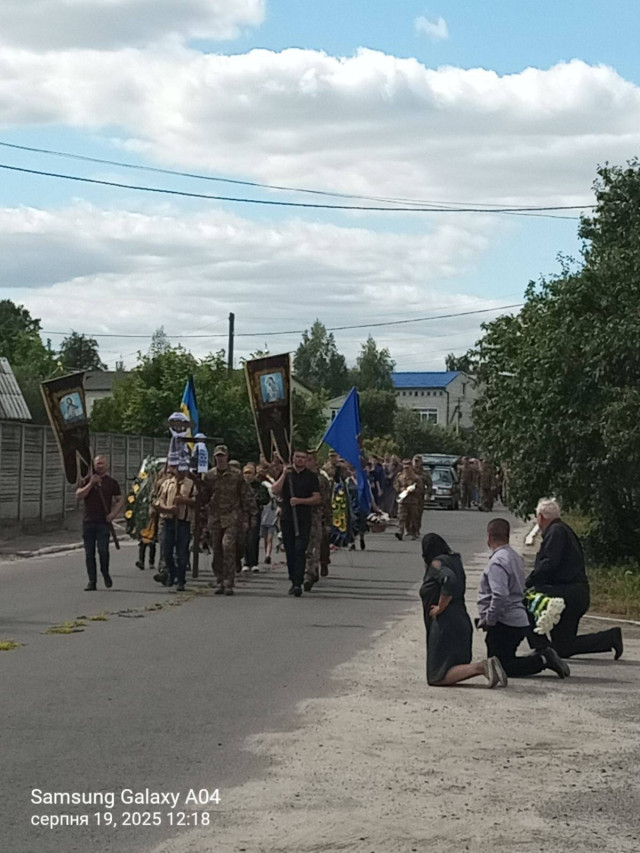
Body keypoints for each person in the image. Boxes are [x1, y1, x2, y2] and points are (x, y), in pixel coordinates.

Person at [526, 498, 623, 659]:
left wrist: (528, 583)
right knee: (563, 647)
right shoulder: (562, 530)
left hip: (566, 593)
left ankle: (542, 647)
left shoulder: (556, 532)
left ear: (541, 517)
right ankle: (609, 638)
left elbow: (548, 564)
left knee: (524, 600)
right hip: (576, 593)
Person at [478, 518, 570, 678]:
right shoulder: (514, 556)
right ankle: (541, 658)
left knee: (501, 666)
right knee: (503, 660)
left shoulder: (497, 563)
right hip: (518, 617)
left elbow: (500, 595)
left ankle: (542, 659)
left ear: (489, 537)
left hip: (505, 621)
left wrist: (490, 619)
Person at [419, 533, 507, 687]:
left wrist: (441, 606)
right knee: (448, 668)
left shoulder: (437, 564)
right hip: (460, 619)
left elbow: (449, 580)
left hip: (445, 625)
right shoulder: (454, 560)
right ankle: (486, 667)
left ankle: (482, 667)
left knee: (436, 676)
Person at [204, 446, 256, 596]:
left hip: (232, 516)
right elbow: (204, 496)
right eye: (217, 456)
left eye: (222, 456)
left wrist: (250, 516)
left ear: (227, 457)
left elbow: (246, 495)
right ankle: (219, 580)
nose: (220, 459)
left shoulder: (236, 475)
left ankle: (229, 582)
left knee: (227, 546)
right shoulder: (209, 476)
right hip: (215, 517)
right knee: (217, 550)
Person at [272, 450, 321, 597]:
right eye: (297, 457)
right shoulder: (287, 474)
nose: (300, 460)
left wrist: (300, 501)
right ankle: (293, 579)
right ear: (293, 458)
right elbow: (275, 490)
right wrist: (284, 474)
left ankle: (298, 583)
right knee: (290, 550)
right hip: (287, 518)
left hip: (303, 519)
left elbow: (317, 498)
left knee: (300, 550)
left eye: (303, 458)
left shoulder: (311, 477)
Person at [76, 455, 124, 591]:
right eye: (98, 464)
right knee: (89, 554)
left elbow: (120, 499)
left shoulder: (111, 482)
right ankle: (92, 581)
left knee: (103, 551)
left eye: (102, 463)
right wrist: (91, 484)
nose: (100, 466)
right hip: (88, 522)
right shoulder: (86, 480)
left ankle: (105, 572)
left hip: (103, 522)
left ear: (107, 466)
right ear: (94, 465)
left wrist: (113, 514)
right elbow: (79, 495)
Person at [155, 465, 197, 591]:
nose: (180, 471)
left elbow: (196, 501)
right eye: (178, 468)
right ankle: (172, 572)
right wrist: (168, 509)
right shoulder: (167, 483)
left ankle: (180, 580)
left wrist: (184, 500)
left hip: (183, 522)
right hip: (168, 522)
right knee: (166, 552)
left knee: (181, 553)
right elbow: (159, 501)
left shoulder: (191, 484)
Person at [243, 464, 269, 572]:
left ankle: (254, 562)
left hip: (255, 514)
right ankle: (246, 562)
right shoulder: (240, 485)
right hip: (242, 515)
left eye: (250, 473)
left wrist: (256, 499)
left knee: (253, 538)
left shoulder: (259, 486)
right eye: (246, 473)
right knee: (244, 538)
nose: (248, 475)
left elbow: (265, 499)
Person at [394, 459, 420, 540]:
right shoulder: (400, 477)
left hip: (413, 501)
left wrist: (413, 490)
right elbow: (396, 486)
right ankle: (400, 532)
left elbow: (420, 489)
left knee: (413, 518)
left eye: (408, 468)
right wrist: (400, 489)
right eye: (405, 468)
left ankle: (413, 533)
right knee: (401, 517)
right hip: (403, 500)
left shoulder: (416, 478)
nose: (406, 469)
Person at [412, 454, 432, 529]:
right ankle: (409, 529)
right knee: (408, 514)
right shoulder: (408, 472)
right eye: (415, 461)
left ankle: (416, 529)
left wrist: (427, 494)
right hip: (409, 496)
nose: (416, 463)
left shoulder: (424, 473)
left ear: (421, 462)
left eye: (418, 461)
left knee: (418, 514)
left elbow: (429, 484)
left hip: (419, 496)